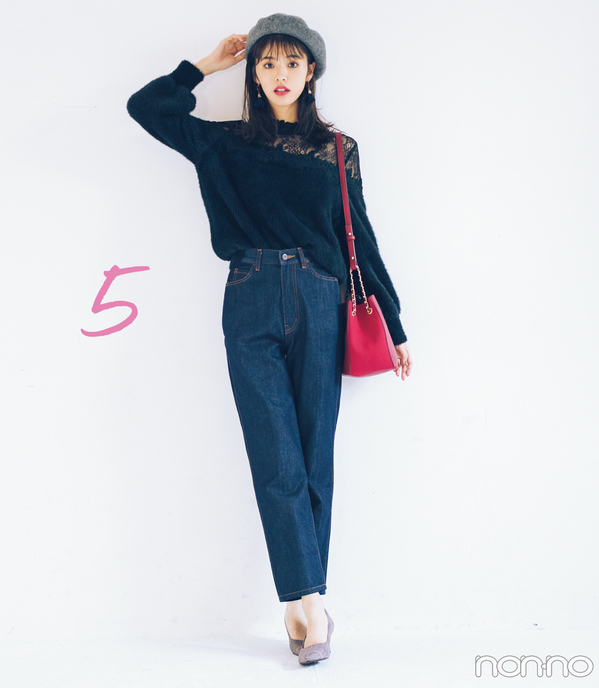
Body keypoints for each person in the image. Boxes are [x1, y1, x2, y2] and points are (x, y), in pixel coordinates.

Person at [127, 13, 412, 665]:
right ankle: (310, 603)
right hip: (250, 295)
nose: (280, 74)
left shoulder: (336, 149)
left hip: (320, 297)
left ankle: (301, 603)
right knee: (276, 457)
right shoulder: (221, 143)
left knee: (314, 457)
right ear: (253, 74)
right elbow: (145, 107)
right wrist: (205, 65)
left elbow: (360, 238)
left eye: (292, 62)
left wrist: (392, 324)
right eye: (267, 62)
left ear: (311, 72)